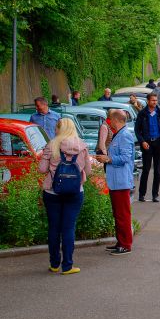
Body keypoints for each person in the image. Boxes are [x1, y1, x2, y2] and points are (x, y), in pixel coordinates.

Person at [38, 118, 91, 275]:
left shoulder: (51, 145)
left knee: (54, 228)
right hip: (75, 193)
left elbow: (41, 169)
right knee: (68, 228)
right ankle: (67, 266)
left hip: (52, 192)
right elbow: (88, 171)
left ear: (59, 129)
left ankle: (54, 264)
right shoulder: (82, 146)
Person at [95, 110, 135, 256]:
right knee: (118, 213)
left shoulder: (124, 135)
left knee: (122, 214)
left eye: (110, 119)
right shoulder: (120, 134)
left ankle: (126, 244)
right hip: (116, 181)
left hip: (121, 181)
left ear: (116, 120)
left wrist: (108, 159)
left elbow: (125, 158)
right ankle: (120, 241)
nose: (108, 122)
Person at [134, 93, 160, 203]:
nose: (154, 102)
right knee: (146, 169)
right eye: (152, 100)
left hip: (158, 144)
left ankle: (155, 195)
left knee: (157, 171)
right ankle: (142, 194)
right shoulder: (142, 114)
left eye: (156, 100)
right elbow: (137, 130)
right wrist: (142, 141)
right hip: (147, 145)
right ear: (147, 101)